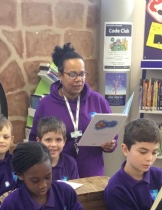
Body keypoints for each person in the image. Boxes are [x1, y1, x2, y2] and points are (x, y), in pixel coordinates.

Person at [29, 42, 117, 178]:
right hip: (58, 175)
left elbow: (111, 134)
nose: (79, 79)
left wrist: (110, 145)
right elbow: (34, 140)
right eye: (72, 74)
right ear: (60, 76)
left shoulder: (97, 101)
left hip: (92, 173)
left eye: (82, 74)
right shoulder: (46, 104)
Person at [36, 116, 79, 181]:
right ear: (39, 141)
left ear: (64, 141)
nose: (53, 145)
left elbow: (76, 185)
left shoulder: (70, 163)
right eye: (48, 140)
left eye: (58, 140)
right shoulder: (33, 165)